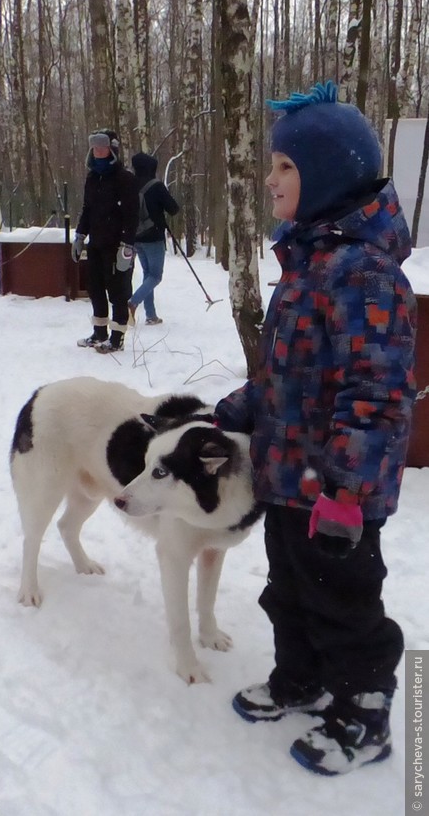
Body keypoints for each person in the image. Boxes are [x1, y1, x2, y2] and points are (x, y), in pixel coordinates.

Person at [214, 80, 416, 776]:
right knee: (289, 592)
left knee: (345, 609)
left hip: (334, 495)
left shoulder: (363, 275)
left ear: (326, 174)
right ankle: (301, 678)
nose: (270, 179)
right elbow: (285, 377)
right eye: (273, 165)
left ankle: (365, 712)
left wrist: (347, 490)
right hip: (287, 479)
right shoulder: (308, 266)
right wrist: (232, 414)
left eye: (285, 167)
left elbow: (377, 395)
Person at [72, 129, 139, 353]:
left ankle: (117, 336)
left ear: (112, 150)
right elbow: (87, 209)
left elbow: (132, 214)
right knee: (95, 287)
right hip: (96, 244)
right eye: (95, 148)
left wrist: (127, 245)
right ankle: (99, 331)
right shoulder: (93, 177)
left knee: (118, 291)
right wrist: (80, 235)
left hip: (117, 245)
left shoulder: (125, 179)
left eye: (102, 148)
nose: (98, 152)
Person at [128, 152, 180, 325]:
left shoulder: (131, 184)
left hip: (136, 237)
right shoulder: (156, 186)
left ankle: (151, 315)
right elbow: (173, 208)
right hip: (154, 237)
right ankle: (133, 303)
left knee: (148, 274)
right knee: (155, 276)